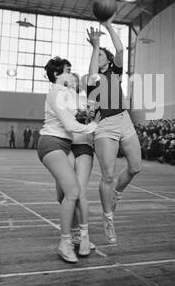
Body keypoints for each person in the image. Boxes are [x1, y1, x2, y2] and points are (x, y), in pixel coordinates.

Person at [37, 57, 100, 263]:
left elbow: (84, 107)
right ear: (56, 75)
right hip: (52, 143)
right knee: (73, 192)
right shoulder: (57, 91)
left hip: (64, 144)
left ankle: (73, 236)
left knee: (66, 193)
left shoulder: (67, 93)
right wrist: (93, 126)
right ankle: (64, 242)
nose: (72, 74)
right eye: (67, 70)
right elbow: (70, 124)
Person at [87, 18, 142, 245]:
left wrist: (108, 24)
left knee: (135, 167)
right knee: (108, 175)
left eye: (101, 54)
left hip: (124, 121)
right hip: (105, 126)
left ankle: (116, 194)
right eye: (96, 54)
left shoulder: (116, 72)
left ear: (108, 61)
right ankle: (108, 217)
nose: (97, 56)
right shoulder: (94, 78)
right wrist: (96, 45)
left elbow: (120, 49)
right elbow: (91, 71)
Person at [68, 72, 96, 252]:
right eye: (67, 80)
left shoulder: (87, 100)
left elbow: (97, 121)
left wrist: (91, 115)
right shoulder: (58, 101)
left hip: (84, 147)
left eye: (73, 80)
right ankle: (72, 233)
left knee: (80, 192)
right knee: (65, 196)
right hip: (64, 148)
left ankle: (83, 235)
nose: (70, 83)